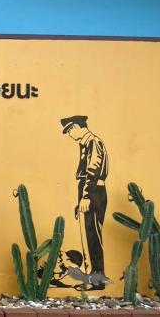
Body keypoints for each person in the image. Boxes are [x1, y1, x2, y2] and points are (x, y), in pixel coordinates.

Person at [60, 115, 109, 289]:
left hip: (94, 190)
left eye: (70, 131)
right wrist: (82, 198)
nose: (70, 134)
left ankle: (97, 280)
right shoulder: (86, 144)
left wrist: (86, 196)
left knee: (93, 236)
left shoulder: (93, 142)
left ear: (76, 127)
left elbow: (92, 171)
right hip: (89, 190)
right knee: (89, 236)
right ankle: (93, 277)